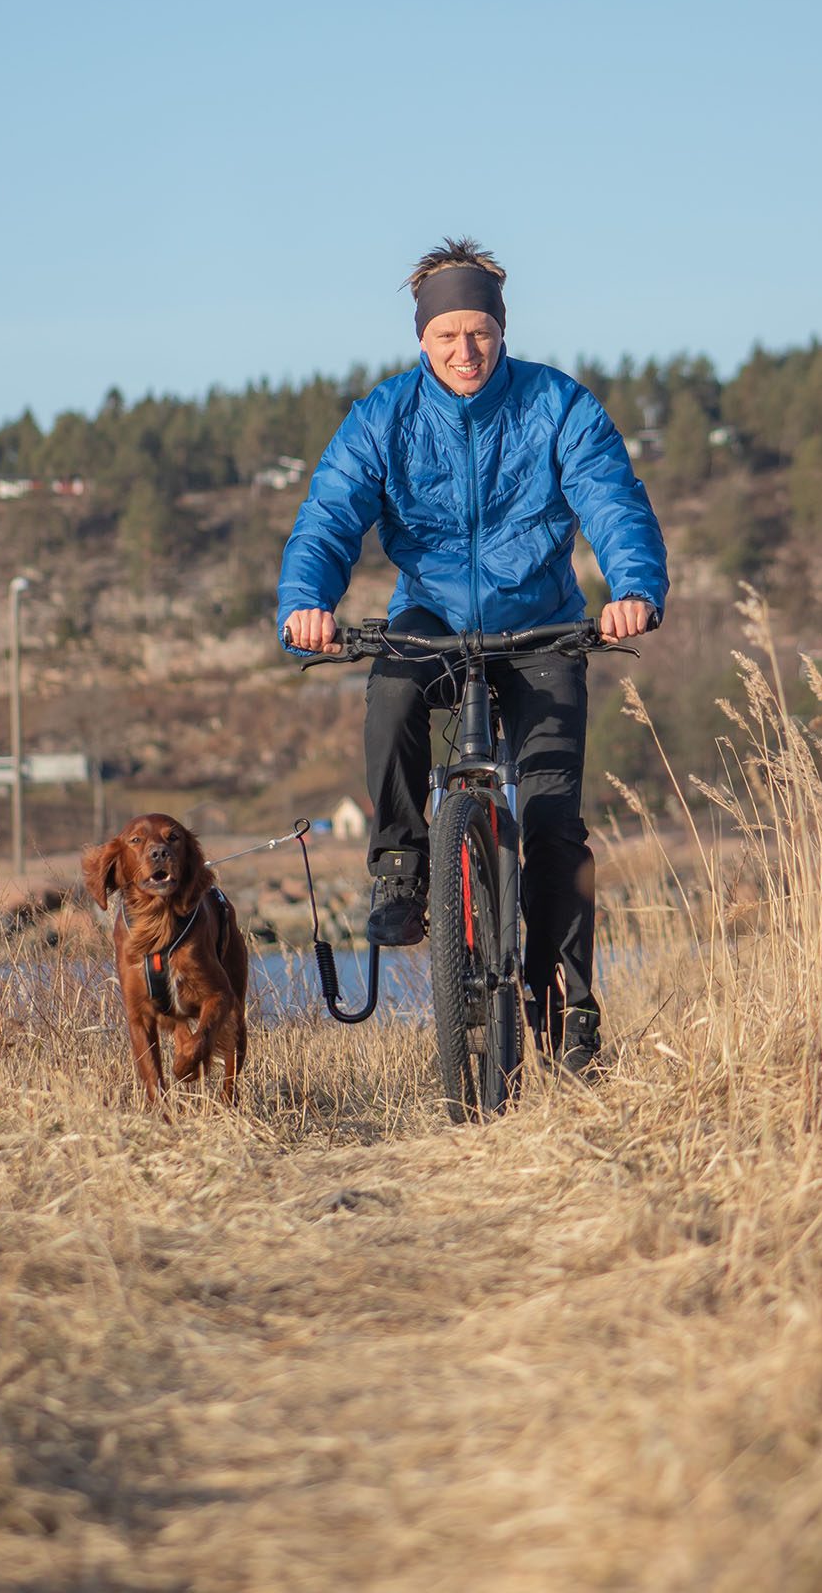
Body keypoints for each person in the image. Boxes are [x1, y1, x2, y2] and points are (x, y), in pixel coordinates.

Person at [277, 237, 668, 1074]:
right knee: (390, 697)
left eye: (480, 332)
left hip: (543, 629)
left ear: (502, 327)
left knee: (556, 824)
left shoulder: (556, 406)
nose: (466, 350)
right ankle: (399, 870)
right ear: (423, 340)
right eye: (448, 335)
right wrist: (306, 603)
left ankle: (568, 1013)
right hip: (432, 620)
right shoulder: (383, 419)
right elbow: (329, 515)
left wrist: (631, 589)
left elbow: (612, 500)